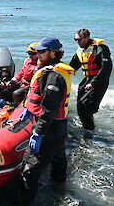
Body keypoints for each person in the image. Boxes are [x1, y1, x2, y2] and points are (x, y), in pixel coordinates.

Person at [14, 37, 75, 205]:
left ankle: (25, 201)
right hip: (59, 126)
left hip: (50, 127)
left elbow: (49, 108)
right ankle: (59, 188)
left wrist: (38, 133)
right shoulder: (51, 70)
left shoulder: (54, 76)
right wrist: (28, 111)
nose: (37, 55)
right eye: (37, 51)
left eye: (42, 52)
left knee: (30, 169)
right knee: (58, 157)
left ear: (53, 52)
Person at [69, 28, 112, 130]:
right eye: (75, 39)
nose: (77, 42)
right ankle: (86, 126)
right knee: (80, 105)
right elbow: (72, 66)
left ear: (87, 38)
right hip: (87, 79)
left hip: (99, 81)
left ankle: (89, 131)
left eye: (79, 40)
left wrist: (93, 83)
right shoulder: (81, 50)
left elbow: (106, 68)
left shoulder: (100, 48)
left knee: (86, 106)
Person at [6, 42, 39, 106]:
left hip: (30, 87)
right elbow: (21, 73)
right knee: (5, 87)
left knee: (16, 94)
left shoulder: (40, 66)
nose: (30, 56)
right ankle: (10, 104)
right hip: (22, 83)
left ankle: (17, 109)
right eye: (29, 53)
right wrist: (13, 80)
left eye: (33, 54)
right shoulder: (27, 61)